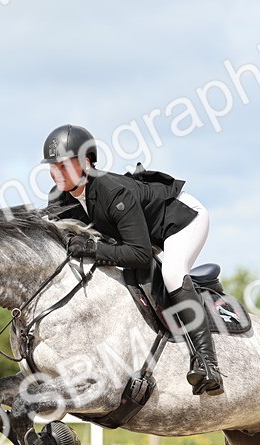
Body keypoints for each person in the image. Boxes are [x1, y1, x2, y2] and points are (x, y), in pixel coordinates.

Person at [41, 123, 223, 397]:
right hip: (143, 234)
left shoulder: (113, 192)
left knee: (173, 272)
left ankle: (207, 364)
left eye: (65, 165)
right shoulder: (58, 199)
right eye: (53, 166)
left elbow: (139, 254)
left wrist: (91, 247)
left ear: (87, 163)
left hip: (181, 221)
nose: (57, 172)